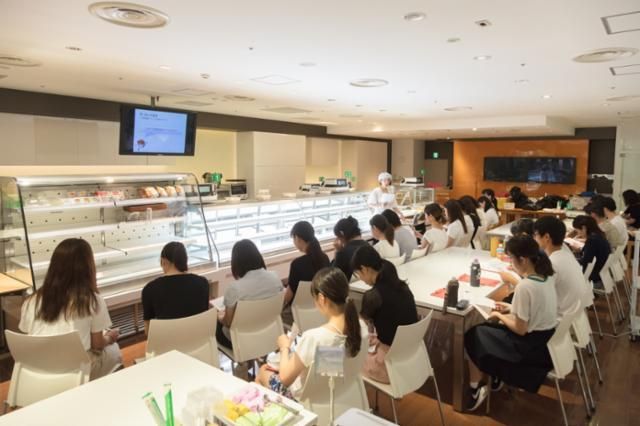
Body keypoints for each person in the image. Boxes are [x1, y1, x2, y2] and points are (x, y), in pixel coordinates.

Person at [464, 235, 557, 411]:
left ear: (523, 260)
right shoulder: (546, 277)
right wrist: (511, 308)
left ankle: (475, 388)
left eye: (511, 259)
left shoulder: (525, 286)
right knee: (487, 329)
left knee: (473, 334)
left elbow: (520, 329)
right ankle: (495, 376)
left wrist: (499, 316)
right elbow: (535, 310)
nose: (511, 264)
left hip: (528, 348)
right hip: (544, 341)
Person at [19, 238, 122, 380]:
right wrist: (110, 337)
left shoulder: (32, 301)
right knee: (114, 351)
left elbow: (28, 334)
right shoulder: (91, 300)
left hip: (37, 371)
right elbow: (97, 345)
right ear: (88, 267)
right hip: (75, 372)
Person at [256, 267, 366, 399]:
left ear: (321, 298)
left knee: (263, 371)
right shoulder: (360, 327)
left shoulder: (315, 338)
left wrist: (284, 348)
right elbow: (330, 365)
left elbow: (284, 379)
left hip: (306, 402)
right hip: (337, 393)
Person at [352, 245, 418, 383]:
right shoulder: (402, 287)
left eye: (358, 274)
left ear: (364, 269)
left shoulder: (373, 296)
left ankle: (337, 393)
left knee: (343, 357)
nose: (361, 279)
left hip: (390, 366)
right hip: (413, 358)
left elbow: (359, 328)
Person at [216, 239, 283, 349]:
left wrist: (219, 317)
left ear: (236, 263)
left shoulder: (234, 288)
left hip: (242, 340)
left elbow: (228, 322)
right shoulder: (275, 278)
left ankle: (245, 359)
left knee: (216, 323)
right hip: (269, 333)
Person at [142, 242, 209, 334]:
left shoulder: (149, 289)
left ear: (163, 261)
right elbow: (204, 316)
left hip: (167, 342)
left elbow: (148, 331)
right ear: (185, 260)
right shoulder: (203, 283)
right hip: (198, 339)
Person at [533, 217, 591, 316]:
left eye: (535, 235)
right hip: (574, 315)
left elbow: (534, 295)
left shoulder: (552, 264)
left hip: (558, 318)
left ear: (546, 237)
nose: (534, 238)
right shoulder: (566, 254)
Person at [283, 221, 330, 307]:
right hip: (321, 307)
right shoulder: (325, 258)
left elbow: (288, 296)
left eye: (293, 238)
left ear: (298, 238)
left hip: (299, 310)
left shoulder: (297, 264)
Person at [571, 215, 611, 287]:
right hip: (601, 275)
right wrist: (580, 251)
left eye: (577, 231)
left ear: (584, 228)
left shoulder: (592, 240)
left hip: (593, 279)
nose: (578, 234)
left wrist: (571, 260)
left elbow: (586, 261)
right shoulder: (599, 235)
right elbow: (591, 255)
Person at [332, 216, 369, 281]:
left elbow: (332, 275)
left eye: (337, 236)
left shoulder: (343, 252)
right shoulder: (368, 245)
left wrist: (337, 252)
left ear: (342, 234)